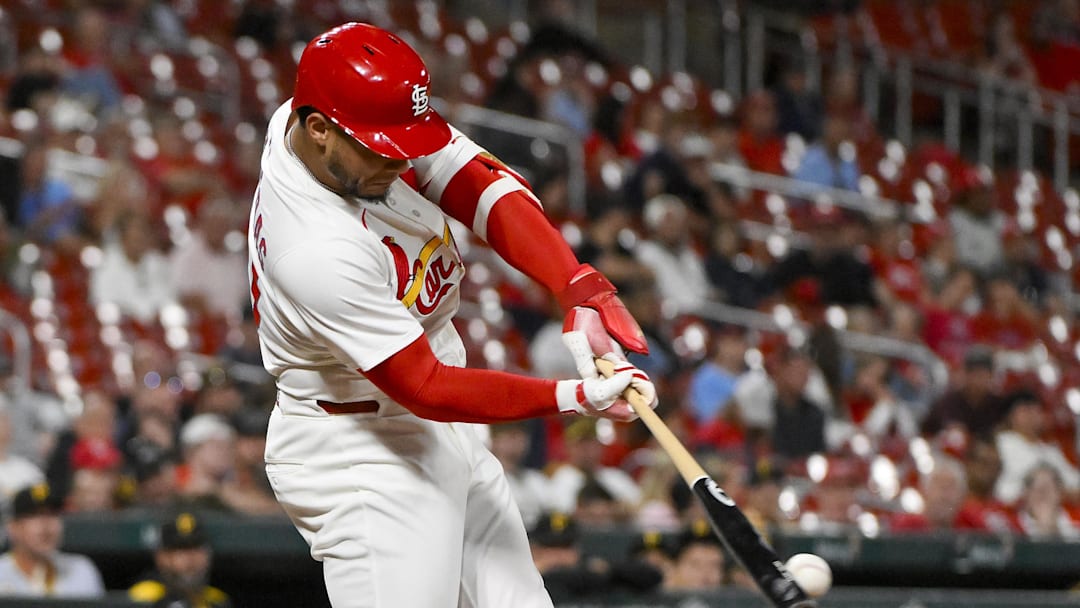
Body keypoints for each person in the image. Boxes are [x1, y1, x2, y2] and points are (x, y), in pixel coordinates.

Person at [249, 23, 657, 608]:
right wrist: (572, 397)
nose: (402, 162)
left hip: (438, 427)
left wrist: (574, 283)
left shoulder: (324, 116)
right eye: (382, 149)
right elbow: (424, 386)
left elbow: (471, 180)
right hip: (364, 449)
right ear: (317, 131)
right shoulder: (314, 248)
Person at [0, 483, 105, 597]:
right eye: (35, 515)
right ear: (13, 527)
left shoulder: (82, 570)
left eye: (53, 514)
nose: (46, 524)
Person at [128, 511, 232, 607]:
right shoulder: (144, 597)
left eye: (196, 549)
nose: (190, 558)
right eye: (181, 550)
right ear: (161, 557)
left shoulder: (217, 600)